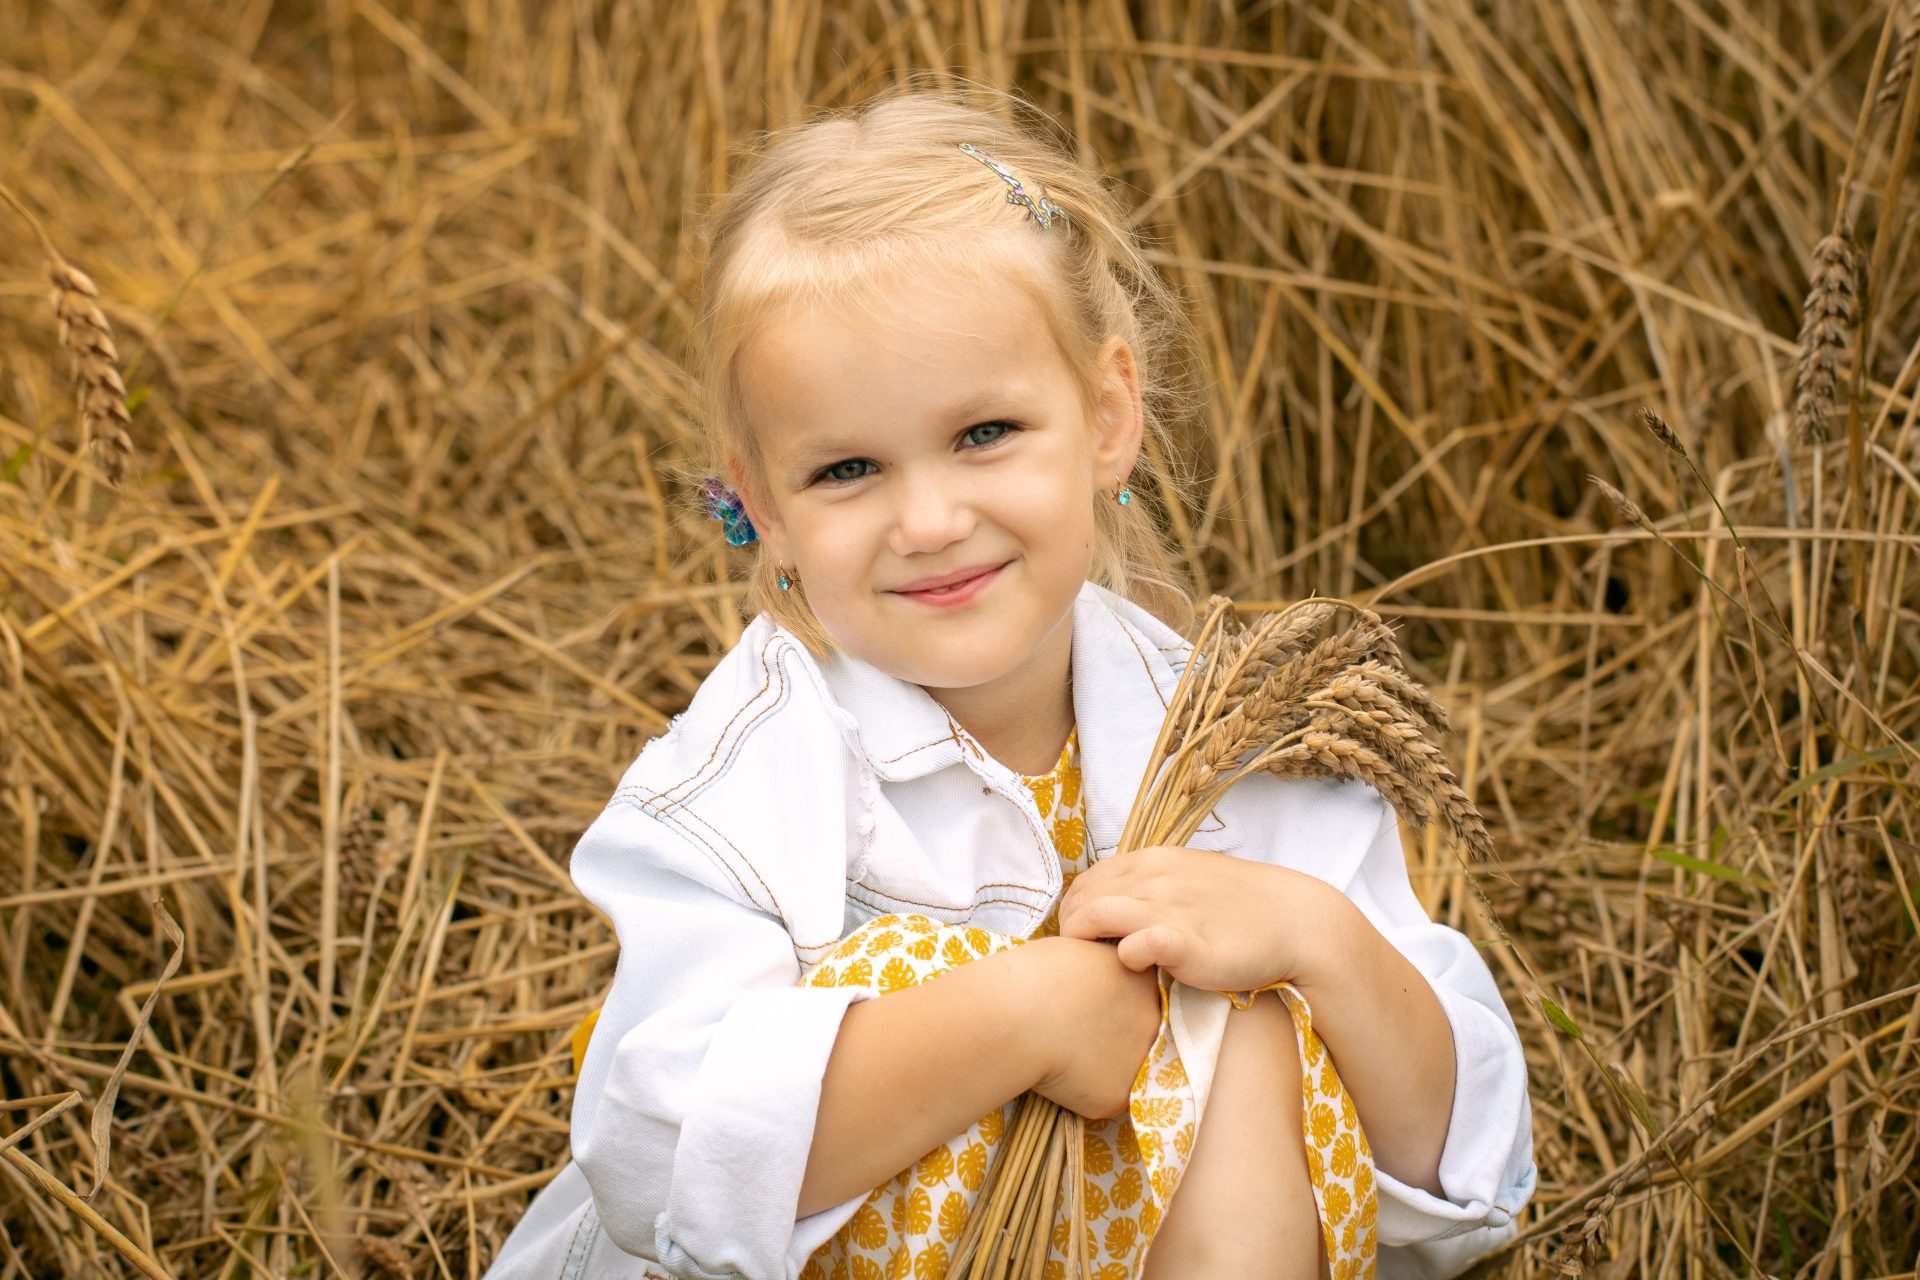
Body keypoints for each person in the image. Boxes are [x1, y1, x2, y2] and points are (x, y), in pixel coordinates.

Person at [485, 88, 1534, 1280]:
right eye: (847, 467)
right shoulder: (747, 778)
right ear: (764, 505)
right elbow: (657, 1156)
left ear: (1106, 414)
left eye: (984, 432)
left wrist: (1316, 937)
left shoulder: (1237, 736)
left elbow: (1470, 1172)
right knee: (908, 981)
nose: (929, 519)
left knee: (1245, 1021)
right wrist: (1025, 1014)